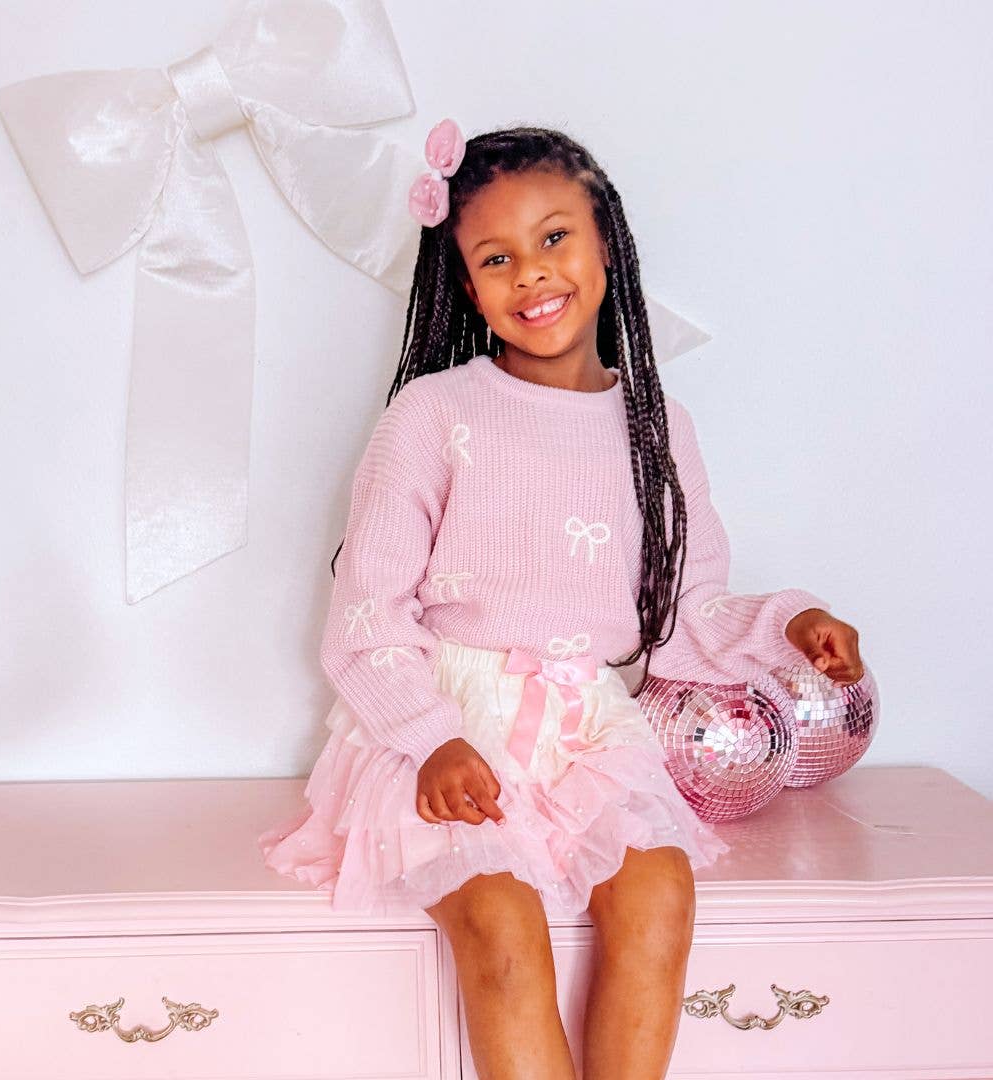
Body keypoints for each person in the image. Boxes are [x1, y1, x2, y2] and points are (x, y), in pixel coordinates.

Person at [258, 119, 864, 1080]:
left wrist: (793, 623)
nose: (532, 273)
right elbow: (367, 612)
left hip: (588, 729)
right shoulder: (433, 415)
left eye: (553, 238)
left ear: (606, 245)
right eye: (496, 257)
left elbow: (684, 610)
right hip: (443, 730)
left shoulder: (657, 426)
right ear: (468, 288)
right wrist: (429, 735)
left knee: (660, 896)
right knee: (502, 925)